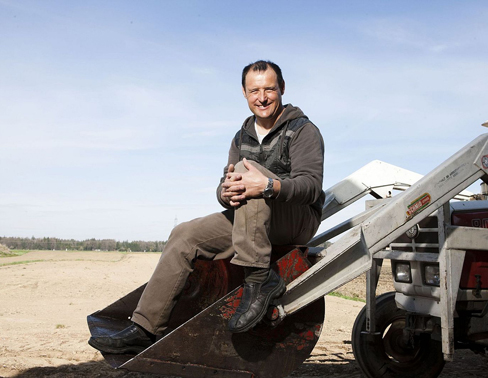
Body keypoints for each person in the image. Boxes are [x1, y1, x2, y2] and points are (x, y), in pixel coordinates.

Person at [88, 60, 325, 354]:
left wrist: (263, 185)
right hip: (252, 220)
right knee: (185, 234)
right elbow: (224, 184)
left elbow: (311, 186)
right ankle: (145, 328)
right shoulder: (242, 136)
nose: (261, 98)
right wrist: (225, 193)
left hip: (296, 219)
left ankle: (259, 281)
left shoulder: (303, 130)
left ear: (282, 89)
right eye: (254, 91)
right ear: (244, 92)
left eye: (269, 89)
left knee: (248, 174)